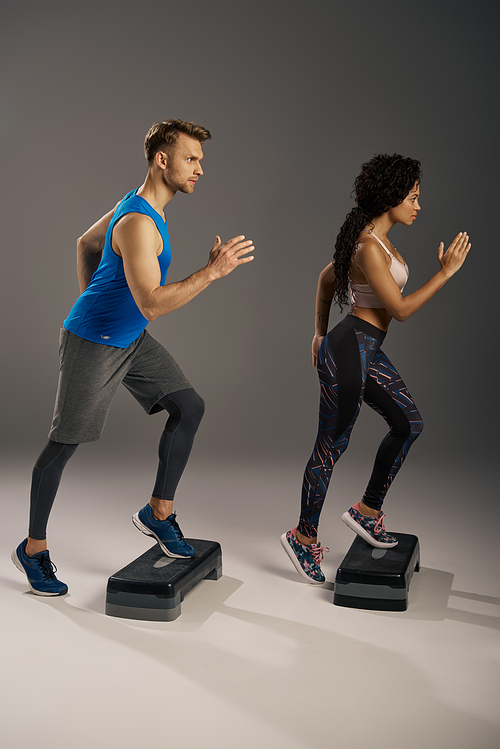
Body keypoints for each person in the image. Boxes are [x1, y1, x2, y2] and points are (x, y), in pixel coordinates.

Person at [12, 119, 255, 596]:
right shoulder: (139, 222)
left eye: (201, 160)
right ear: (162, 160)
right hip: (94, 343)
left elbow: (85, 244)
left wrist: (104, 303)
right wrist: (211, 273)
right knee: (64, 443)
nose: (200, 169)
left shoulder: (140, 206)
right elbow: (152, 304)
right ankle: (32, 549)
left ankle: (157, 513)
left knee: (190, 407)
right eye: (191, 158)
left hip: (129, 338)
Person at [281, 153, 470, 584]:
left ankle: (367, 512)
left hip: (365, 349)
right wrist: (445, 274)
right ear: (391, 197)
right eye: (414, 197)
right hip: (349, 350)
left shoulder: (375, 241)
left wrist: (317, 332)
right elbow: (399, 310)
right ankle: (303, 537)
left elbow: (328, 280)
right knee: (332, 445)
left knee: (408, 424)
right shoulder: (367, 246)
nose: (419, 205)